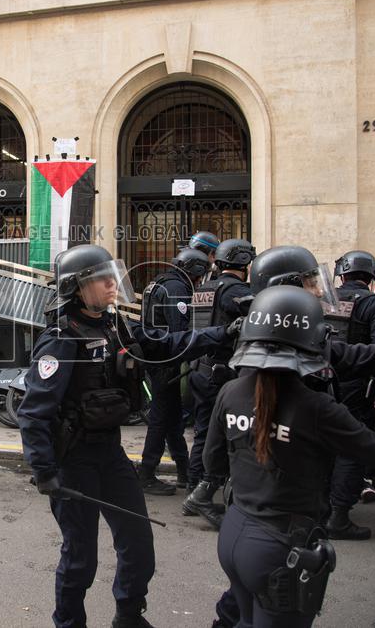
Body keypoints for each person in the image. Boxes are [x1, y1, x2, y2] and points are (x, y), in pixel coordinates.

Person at [17, 244, 236, 628]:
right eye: (101, 279)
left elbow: (165, 344)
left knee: (138, 544)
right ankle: (69, 623)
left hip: (110, 454)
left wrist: (223, 334)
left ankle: (129, 615)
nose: (111, 284)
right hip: (74, 461)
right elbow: (34, 412)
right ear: (76, 287)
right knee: (80, 558)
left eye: (111, 275)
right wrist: (44, 469)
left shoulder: (113, 325)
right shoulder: (59, 339)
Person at [204, 286, 375, 628]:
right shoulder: (316, 408)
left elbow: (213, 463)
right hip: (279, 545)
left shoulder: (231, 391)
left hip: (235, 534)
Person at [182, 238, 256, 527]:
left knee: (203, 431)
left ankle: (193, 488)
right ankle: (207, 492)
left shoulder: (203, 288)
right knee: (222, 436)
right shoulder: (235, 290)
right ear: (244, 264)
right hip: (222, 372)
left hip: (200, 368)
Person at [326, 250, 375, 540]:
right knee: (352, 448)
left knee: (324, 443)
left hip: (325, 381)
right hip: (356, 387)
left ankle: (323, 505)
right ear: (371, 276)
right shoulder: (374, 304)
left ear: (342, 275)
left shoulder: (324, 300)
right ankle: (338, 515)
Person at [138, 246, 210, 494]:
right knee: (160, 417)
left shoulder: (159, 281)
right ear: (193, 270)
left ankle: (183, 469)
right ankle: (146, 473)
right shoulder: (177, 288)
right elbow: (180, 329)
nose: (200, 281)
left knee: (171, 416)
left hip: (155, 356)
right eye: (200, 275)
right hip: (165, 359)